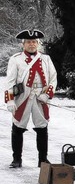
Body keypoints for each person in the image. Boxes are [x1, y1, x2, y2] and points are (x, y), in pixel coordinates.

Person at [4, 29, 57, 168]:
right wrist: (9, 100)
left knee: (42, 127)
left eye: (34, 42)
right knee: (18, 127)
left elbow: (53, 79)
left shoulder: (46, 59)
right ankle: (16, 159)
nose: (32, 44)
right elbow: (10, 81)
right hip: (23, 97)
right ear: (23, 44)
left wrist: (47, 94)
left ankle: (43, 160)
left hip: (40, 98)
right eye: (28, 42)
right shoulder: (16, 59)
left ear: (38, 43)